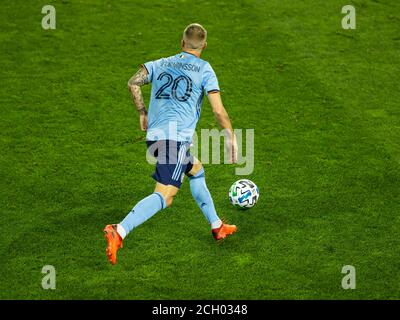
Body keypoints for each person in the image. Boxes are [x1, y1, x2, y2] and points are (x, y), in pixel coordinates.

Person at [103, 23, 238, 265]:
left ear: (181, 42)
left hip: (155, 137)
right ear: (204, 45)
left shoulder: (161, 63)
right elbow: (218, 111)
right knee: (166, 195)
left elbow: (133, 82)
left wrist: (142, 112)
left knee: (196, 169)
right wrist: (230, 136)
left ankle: (217, 226)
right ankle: (119, 230)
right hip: (173, 141)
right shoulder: (205, 69)